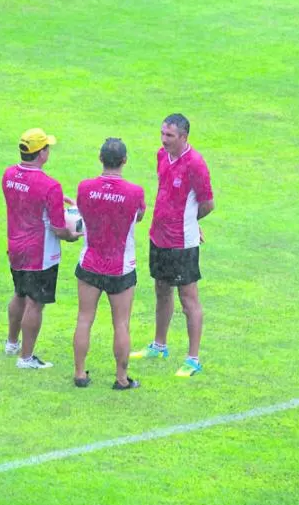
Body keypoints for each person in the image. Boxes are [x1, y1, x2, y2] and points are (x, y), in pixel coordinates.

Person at [131, 113, 214, 377]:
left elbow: (208, 203)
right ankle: (159, 345)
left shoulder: (196, 164)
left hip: (182, 243)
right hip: (159, 236)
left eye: (170, 136)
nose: (164, 140)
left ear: (184, 137)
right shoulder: (161, 156)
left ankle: (193, 359)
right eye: (162, 134)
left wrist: (192, 221)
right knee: (161, 290)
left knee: (188, 299)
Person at [2, 128, 80, 369]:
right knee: (35, 303)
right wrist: (72, 236)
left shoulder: (8, 174)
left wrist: (55, 199)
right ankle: (26, 358)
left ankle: (11, 343)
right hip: (40, 254)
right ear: (41, 153)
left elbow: (25, 197)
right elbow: (58, 228)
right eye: (47, 147)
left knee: (19, 294)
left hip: (15, 247)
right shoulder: (49, 186)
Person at [72, 138, 146, 390]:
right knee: (121, 323)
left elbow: (82, 211)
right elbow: (139, 216)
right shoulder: (135, 192)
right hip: (121, 268)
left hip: (90, 263)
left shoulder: (84, 187)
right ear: (124, 161)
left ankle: (80, 374)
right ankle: (121, 378)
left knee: (84, 319)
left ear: (100, 158)